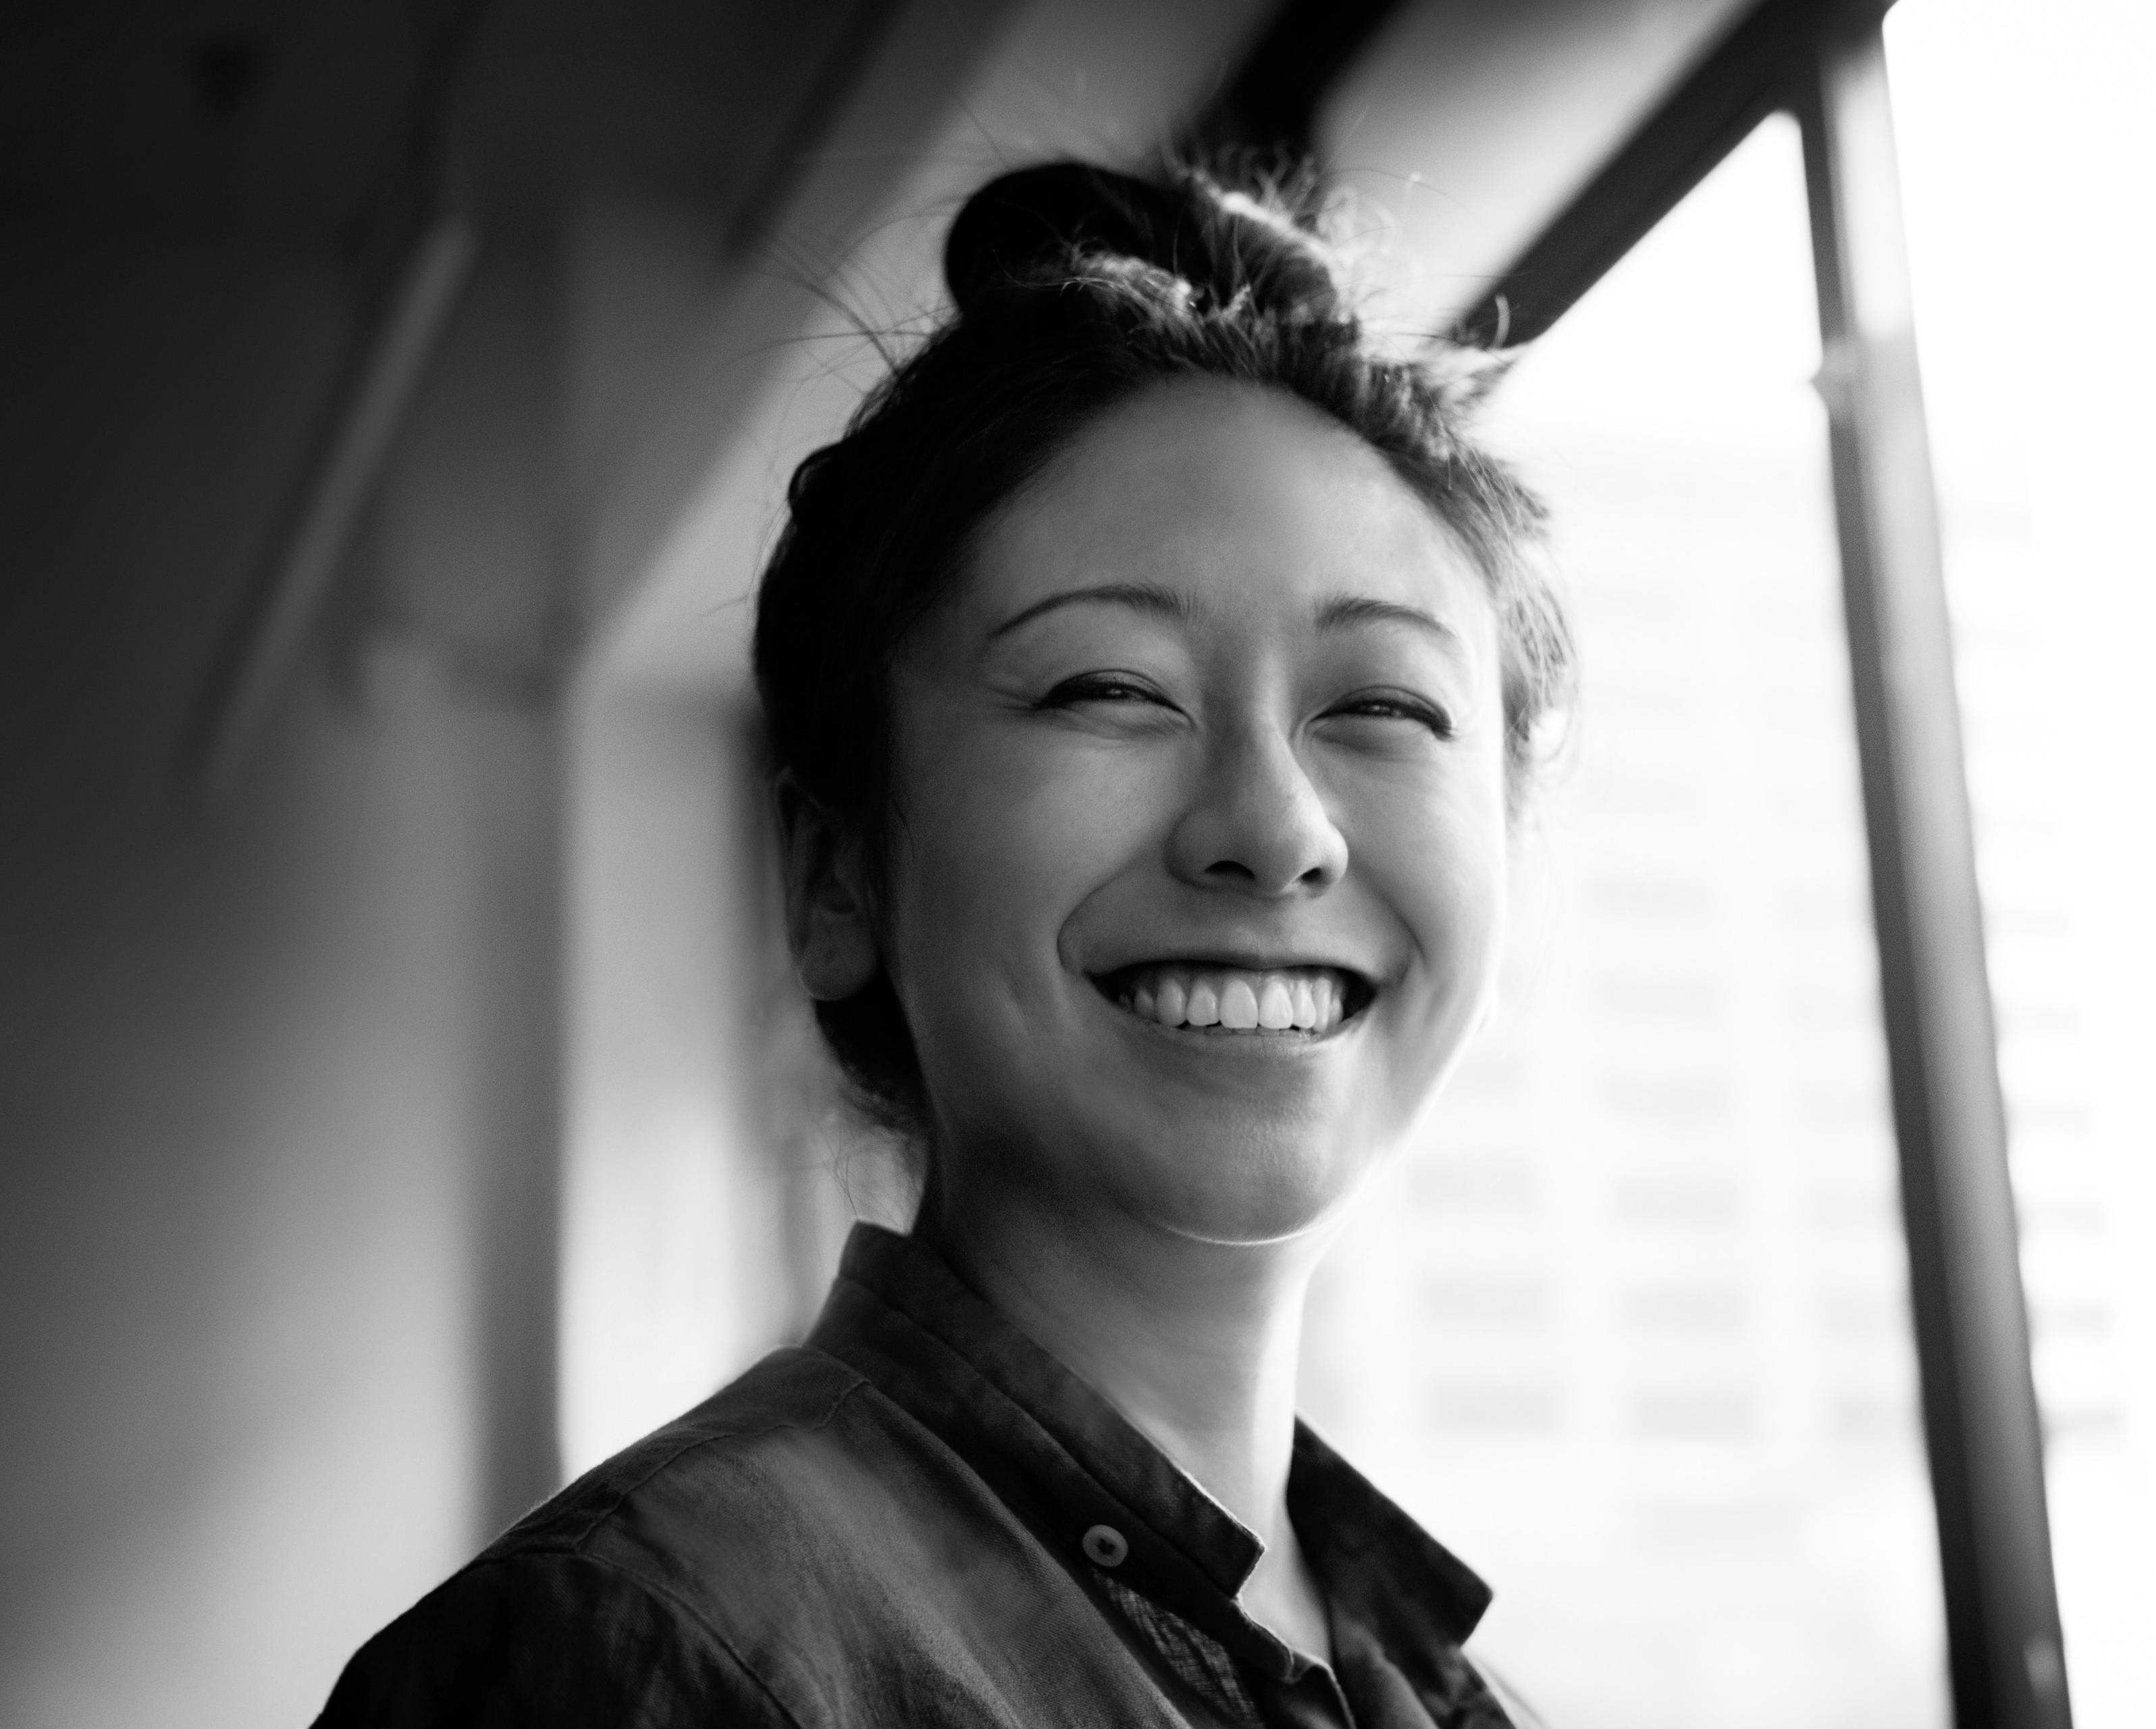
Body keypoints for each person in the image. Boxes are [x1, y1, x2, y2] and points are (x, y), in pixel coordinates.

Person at [315, 157, 1572, 1729]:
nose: (1275, 824)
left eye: (1382, 705)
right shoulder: (646, 1650)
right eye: (1108, 687)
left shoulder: (1462, 1694)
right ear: (839, 875)